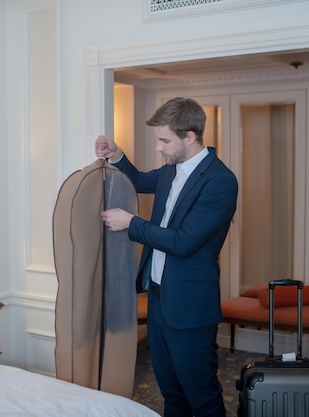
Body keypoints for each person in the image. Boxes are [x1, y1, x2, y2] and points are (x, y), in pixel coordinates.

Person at [95, 97, 238, 417]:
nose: (159, 147)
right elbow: (139, 179)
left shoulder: (221, 181)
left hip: (190, 306)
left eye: (164, 140)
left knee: (202, 395)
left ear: (190, 136)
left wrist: (131, 223)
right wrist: (117, 156)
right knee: (171, 393)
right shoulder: (171, 170)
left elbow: (184, 242)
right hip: (159, 300)